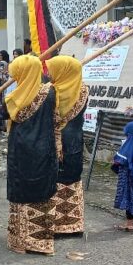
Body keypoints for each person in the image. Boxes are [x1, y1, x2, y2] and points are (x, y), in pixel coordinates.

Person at [0, 55, 59, 255]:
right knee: (42, 191)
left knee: (22, 191)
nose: (15, 78)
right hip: (44, 149)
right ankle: (42, 243)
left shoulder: (18, 97)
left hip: (22, 151)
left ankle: (21, 242)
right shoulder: (50, 92)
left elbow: (1, 114)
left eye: (17, 74)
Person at [46, 56, 89, 236]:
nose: (48, 73)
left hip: (54, 143)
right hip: (75, 142)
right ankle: (73, 224)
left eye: (52, 69)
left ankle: (55, 225)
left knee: (55, 181)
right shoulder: (84, 90)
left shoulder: (51, 92)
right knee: (72, 180)